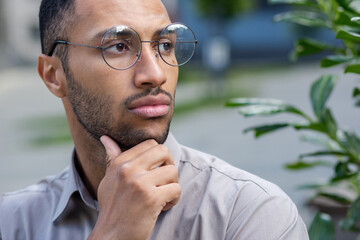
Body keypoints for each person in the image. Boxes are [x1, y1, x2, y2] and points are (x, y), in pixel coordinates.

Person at [0, 0, 309, 239]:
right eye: (118, 46)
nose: (156, 74)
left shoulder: (249, 214)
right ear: (54, 76)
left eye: (165, 45)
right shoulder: (12, 223)